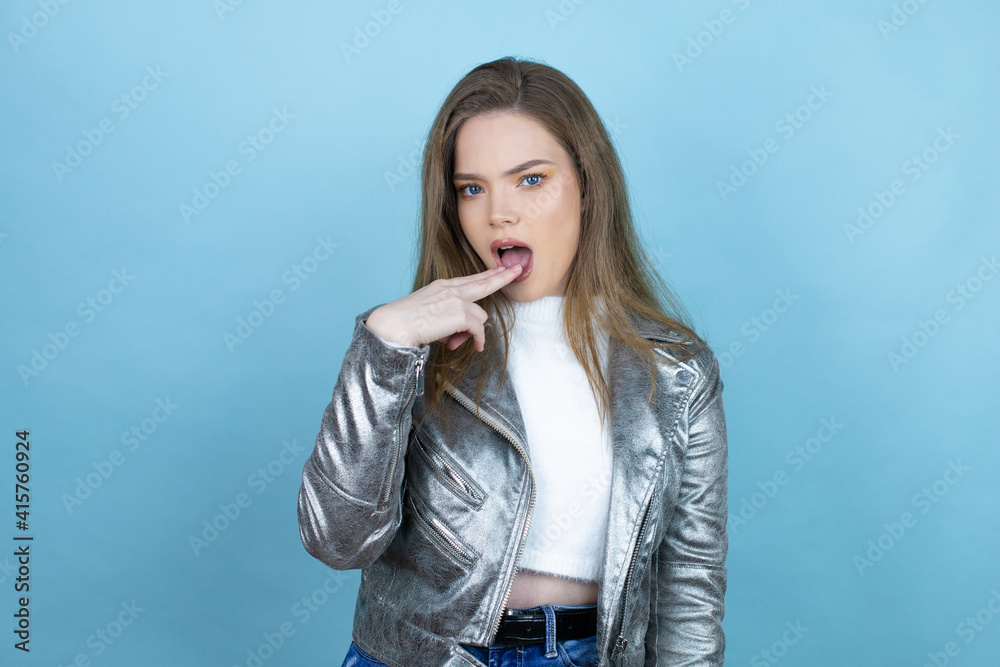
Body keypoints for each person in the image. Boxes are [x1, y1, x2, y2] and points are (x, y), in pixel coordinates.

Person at [297, 56, 728, 666]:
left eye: (530, 179)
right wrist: (385, 345)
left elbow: (689, 584)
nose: (499, 211)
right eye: (472, 188)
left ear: (587, 187)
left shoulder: (677, 371)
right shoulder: (409, 345)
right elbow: (338, 541)